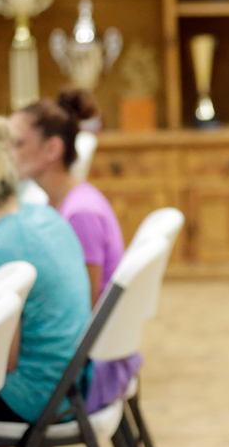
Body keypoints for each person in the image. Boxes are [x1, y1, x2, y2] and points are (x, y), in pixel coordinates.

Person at [8, 90, 139, 413]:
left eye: (17, 143)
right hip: (83, 361)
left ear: (53, 148)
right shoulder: (65, 202)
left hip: (87, 373)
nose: (7, 154)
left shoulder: (80, 214)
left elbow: (85, 306)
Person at [0, 116, 91, 423]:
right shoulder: (43, 215)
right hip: (71, 386)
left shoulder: (4, 245)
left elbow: (2, 361)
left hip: (34, 397)